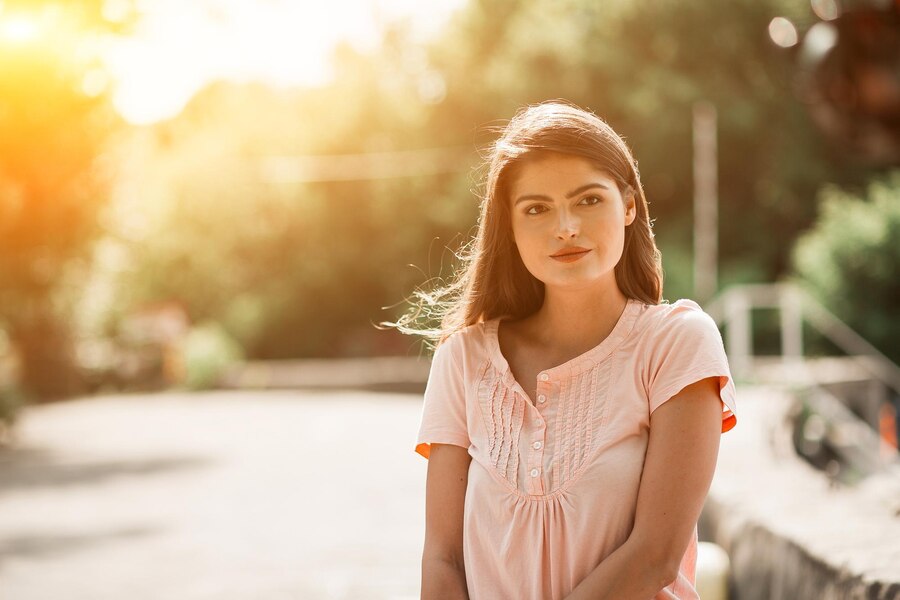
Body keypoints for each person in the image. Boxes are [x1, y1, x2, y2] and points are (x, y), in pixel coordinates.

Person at [392, 100, 737, 600]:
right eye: (536, 209)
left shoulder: (677, 343)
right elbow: (442, 559)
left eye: (589, 200)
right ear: (509, 227)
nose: (566, 227)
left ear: (630, 205)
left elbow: (656, 556)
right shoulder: (463, 359)